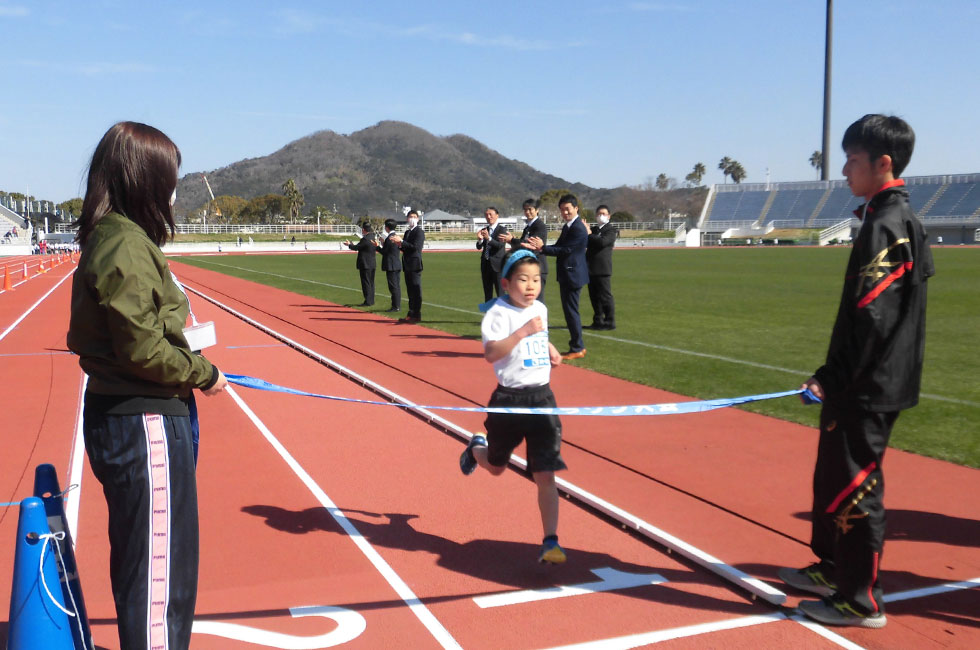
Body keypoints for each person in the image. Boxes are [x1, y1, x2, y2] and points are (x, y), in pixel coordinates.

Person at [67, 121, 228, 650]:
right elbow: (143, 349)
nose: (173, 192)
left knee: (147, 562)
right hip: (145, 419)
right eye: (169, 179)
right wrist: (205, 373)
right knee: (161, 575)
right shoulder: (126, 245)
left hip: (133, 414)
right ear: (144, 178)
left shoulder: (113, 236)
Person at [779, 114, 934, 629]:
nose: (843, 169)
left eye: (852, 159)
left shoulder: (887, 224)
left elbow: (873, 318)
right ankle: (832, 568)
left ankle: (859, 600)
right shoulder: (887, 217)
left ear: (882, 164)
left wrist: (831, 375)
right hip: (863, 381)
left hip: (868, 386)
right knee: (831, 479)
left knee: (855, 487)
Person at [459, 250, 567, 564]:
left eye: (536, 279)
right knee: (496, 468)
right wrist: (522, 333)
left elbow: (540, 333)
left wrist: (549, 348)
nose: (531, 286)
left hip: (542, 400)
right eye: (523, 279)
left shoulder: (541, 309)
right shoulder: (498, 313)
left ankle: (550, 541)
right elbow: (492, 353)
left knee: (545, 474)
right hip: (509, 400)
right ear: (506, 284)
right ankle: (476, 448)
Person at [524, 194, 589, 360]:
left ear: (576, 208)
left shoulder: (577, 228)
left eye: (567, 209)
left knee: (571, 312)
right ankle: (577, 345)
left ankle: (577, 347)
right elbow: (560, 246)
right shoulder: (569, 226)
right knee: (570, 311)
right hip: (568, 273)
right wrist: (540, 248)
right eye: (562, 210)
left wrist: (543, 248)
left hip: (573, 274)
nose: (565, 212)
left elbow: (566, 250)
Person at [501, 198, 549, 300]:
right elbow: (522, 245)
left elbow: (529, 244)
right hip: (530, 266)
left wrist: (513, 240)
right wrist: (512, 241)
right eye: (525, 210)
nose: (527, 212)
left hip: (538, 267)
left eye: (530, 209)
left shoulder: (539, 226)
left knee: (537, 301)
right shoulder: (528, 227)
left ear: (537, 210)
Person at [585, 205, 619, 330]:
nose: (601, 216)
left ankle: (610, 321)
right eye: (599, 213)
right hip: (590, 267)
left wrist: (589, 234)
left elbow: (602, 242)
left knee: (605, 296)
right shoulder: (594, 230)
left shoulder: (611, 230)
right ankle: (597, 320)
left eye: (604, 213)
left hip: (603, 268)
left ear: (609, 216)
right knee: (594, 297)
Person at [391, 210, 424, 322]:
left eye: (414, 217)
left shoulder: (419, 232)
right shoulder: (407, 232)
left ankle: (417, 314)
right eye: (410, 217)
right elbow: (406, 248)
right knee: (410, 290)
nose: (412, 219)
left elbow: (415, 247)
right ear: (407, 219)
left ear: (418, 219)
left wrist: (402, 242)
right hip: (407, 264)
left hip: (415, 264)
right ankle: (411, 312)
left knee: (416, 289)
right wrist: (399, 244)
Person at [475, 206, 508, 301]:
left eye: (490, 214)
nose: (488, 217)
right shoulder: (485, 230)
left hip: (498, 266)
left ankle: (502, 314)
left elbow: (500, 245)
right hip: (486, 265)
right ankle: (488, 314)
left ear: (497, 215)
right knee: (487, 293)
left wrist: (488, 238)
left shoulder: (502, 230)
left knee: (500, 293)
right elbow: (479, 247)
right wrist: (480, 239)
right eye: (486, 215)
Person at [343, 221, 378, 306]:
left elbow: (357, 247)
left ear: (363, 229)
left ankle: (368, 301)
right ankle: (371, 300)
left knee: (366, 283)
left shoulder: (365, 239)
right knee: (371, 283)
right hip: (372, 263)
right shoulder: (373, 237)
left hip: (365, 264)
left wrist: (349, 245)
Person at [377, 218, 402, 312]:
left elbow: (384, 252)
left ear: (386, 227)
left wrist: (377, 247)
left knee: (393, 287)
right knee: (396, 286)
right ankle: (396, 305)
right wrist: (383, 243)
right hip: (396, 264)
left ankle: (395, 306)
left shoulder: (390, 238)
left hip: (391, 265)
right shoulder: (396, 236)